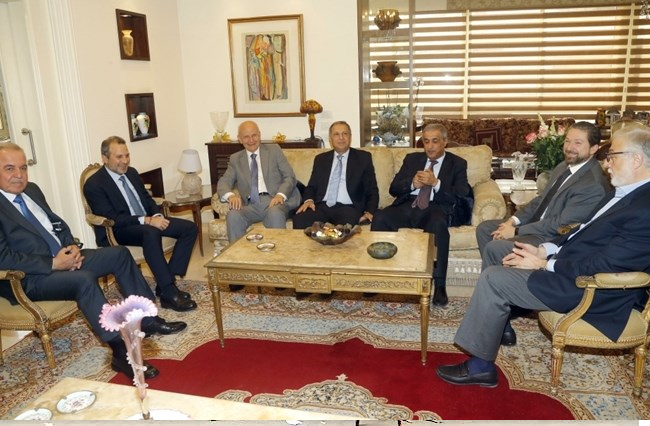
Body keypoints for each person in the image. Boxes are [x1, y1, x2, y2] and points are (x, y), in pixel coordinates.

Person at [436, 127, 650, 388]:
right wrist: (545, 249)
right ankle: (497, 322)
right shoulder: (621, 193)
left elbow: (605, 265)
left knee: (493, 279)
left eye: (612, 155)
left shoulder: (644, 210)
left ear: (636, 160)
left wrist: (544, 264)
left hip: (589, 289)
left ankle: (481, 367)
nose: (606, 163)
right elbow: (578, 232)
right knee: (499, 254)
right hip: (570, 266)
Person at [0, 143, 187, 380]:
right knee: (85, 280)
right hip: (30, 277)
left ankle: (147, 320)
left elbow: (56, 224)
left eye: (23, 168)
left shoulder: (32, 190)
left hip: (62, 258)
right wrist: (53, 263)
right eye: (9, 169)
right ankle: (121, 352)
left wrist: (71, 247)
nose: (19, 175)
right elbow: (3, 257)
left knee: (119, 254)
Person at [476, 121, 611, 345]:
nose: (570, 147)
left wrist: (516, 231)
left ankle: (500, 317)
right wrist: (512, 220)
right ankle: (507, 300)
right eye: (568, 141)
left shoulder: (592, 184)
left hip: (552, 238)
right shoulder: (564, 166)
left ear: (594, 148)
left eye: (578, 143)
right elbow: (540, 201)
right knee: (486, 229)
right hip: (538, 226)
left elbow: (560, 224)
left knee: (495, 246)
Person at [83, 136, 198, 312]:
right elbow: (113, 217)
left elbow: (146, 198)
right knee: (150, 232)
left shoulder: (131, 172)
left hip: (147, 221)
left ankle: (166, 281)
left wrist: (157, 214)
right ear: (105, 158)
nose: (125, 161)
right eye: (119, 157)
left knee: (189, 228)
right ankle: (168, 293)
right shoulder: (94, 184)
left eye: (127, 155)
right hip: (120, 229)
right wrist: (147, 220)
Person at [371, 124, 471, 307]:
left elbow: (461, 194)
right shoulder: (412, 159)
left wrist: (436, 183)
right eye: (426, 141)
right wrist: (412, 184)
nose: (430, 146)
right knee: (380, 217)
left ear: (445, 142)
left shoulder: (457, 163)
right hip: (407, 205)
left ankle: (439, 285)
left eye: (435, 141)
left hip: (434, 207)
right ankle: (376, 277)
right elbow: (393, 189)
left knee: (439, 224)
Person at [292, 121, 379, 229]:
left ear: (350, 137)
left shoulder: (363, 158)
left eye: (345, 134)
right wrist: (309, 200)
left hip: (348, 208)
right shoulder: (321, 159)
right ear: (330, 139)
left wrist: (369, 211)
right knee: (300, 219)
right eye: (336, 134)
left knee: (345, 228)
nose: (341, 138)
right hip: (321, 206)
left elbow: (372, 190)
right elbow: (312, 186)